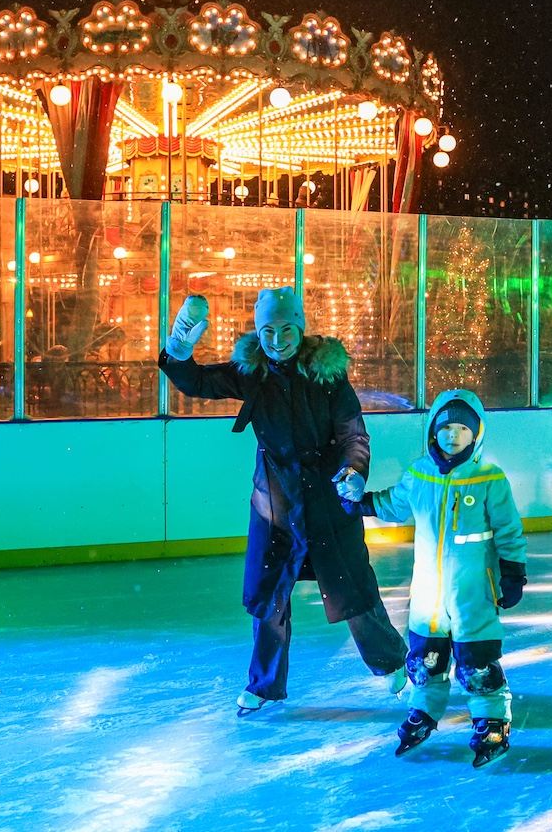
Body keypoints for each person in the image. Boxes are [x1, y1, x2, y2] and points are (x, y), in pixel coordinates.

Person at [160, 288, 408, 716]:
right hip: (274, 505)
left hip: (329, 500)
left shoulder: (327, 375)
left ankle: (393, 665)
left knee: (354, 591)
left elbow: (353, 433)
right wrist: (178, 352)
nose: (277, 340)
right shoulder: (252, 372)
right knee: (269, 596)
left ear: (301, 328)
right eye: (268, 331)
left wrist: (354, 470)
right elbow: (197, 382)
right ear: (259, 333)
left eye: (286, 329)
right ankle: (264, 685)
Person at [336, 389, 526, 767]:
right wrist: (359, 500)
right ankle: (423, 709)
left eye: (462, 429)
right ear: (433, 432)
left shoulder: (489, 478)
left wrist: (513, 572)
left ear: (476, 434)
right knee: (425, 658)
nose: (453, 435)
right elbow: (394, 503)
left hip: (474, 591)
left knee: (477, 661)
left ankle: (492, 719)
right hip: (428, 592)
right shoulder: (420, 473)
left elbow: (508, 529)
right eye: (446, 428)